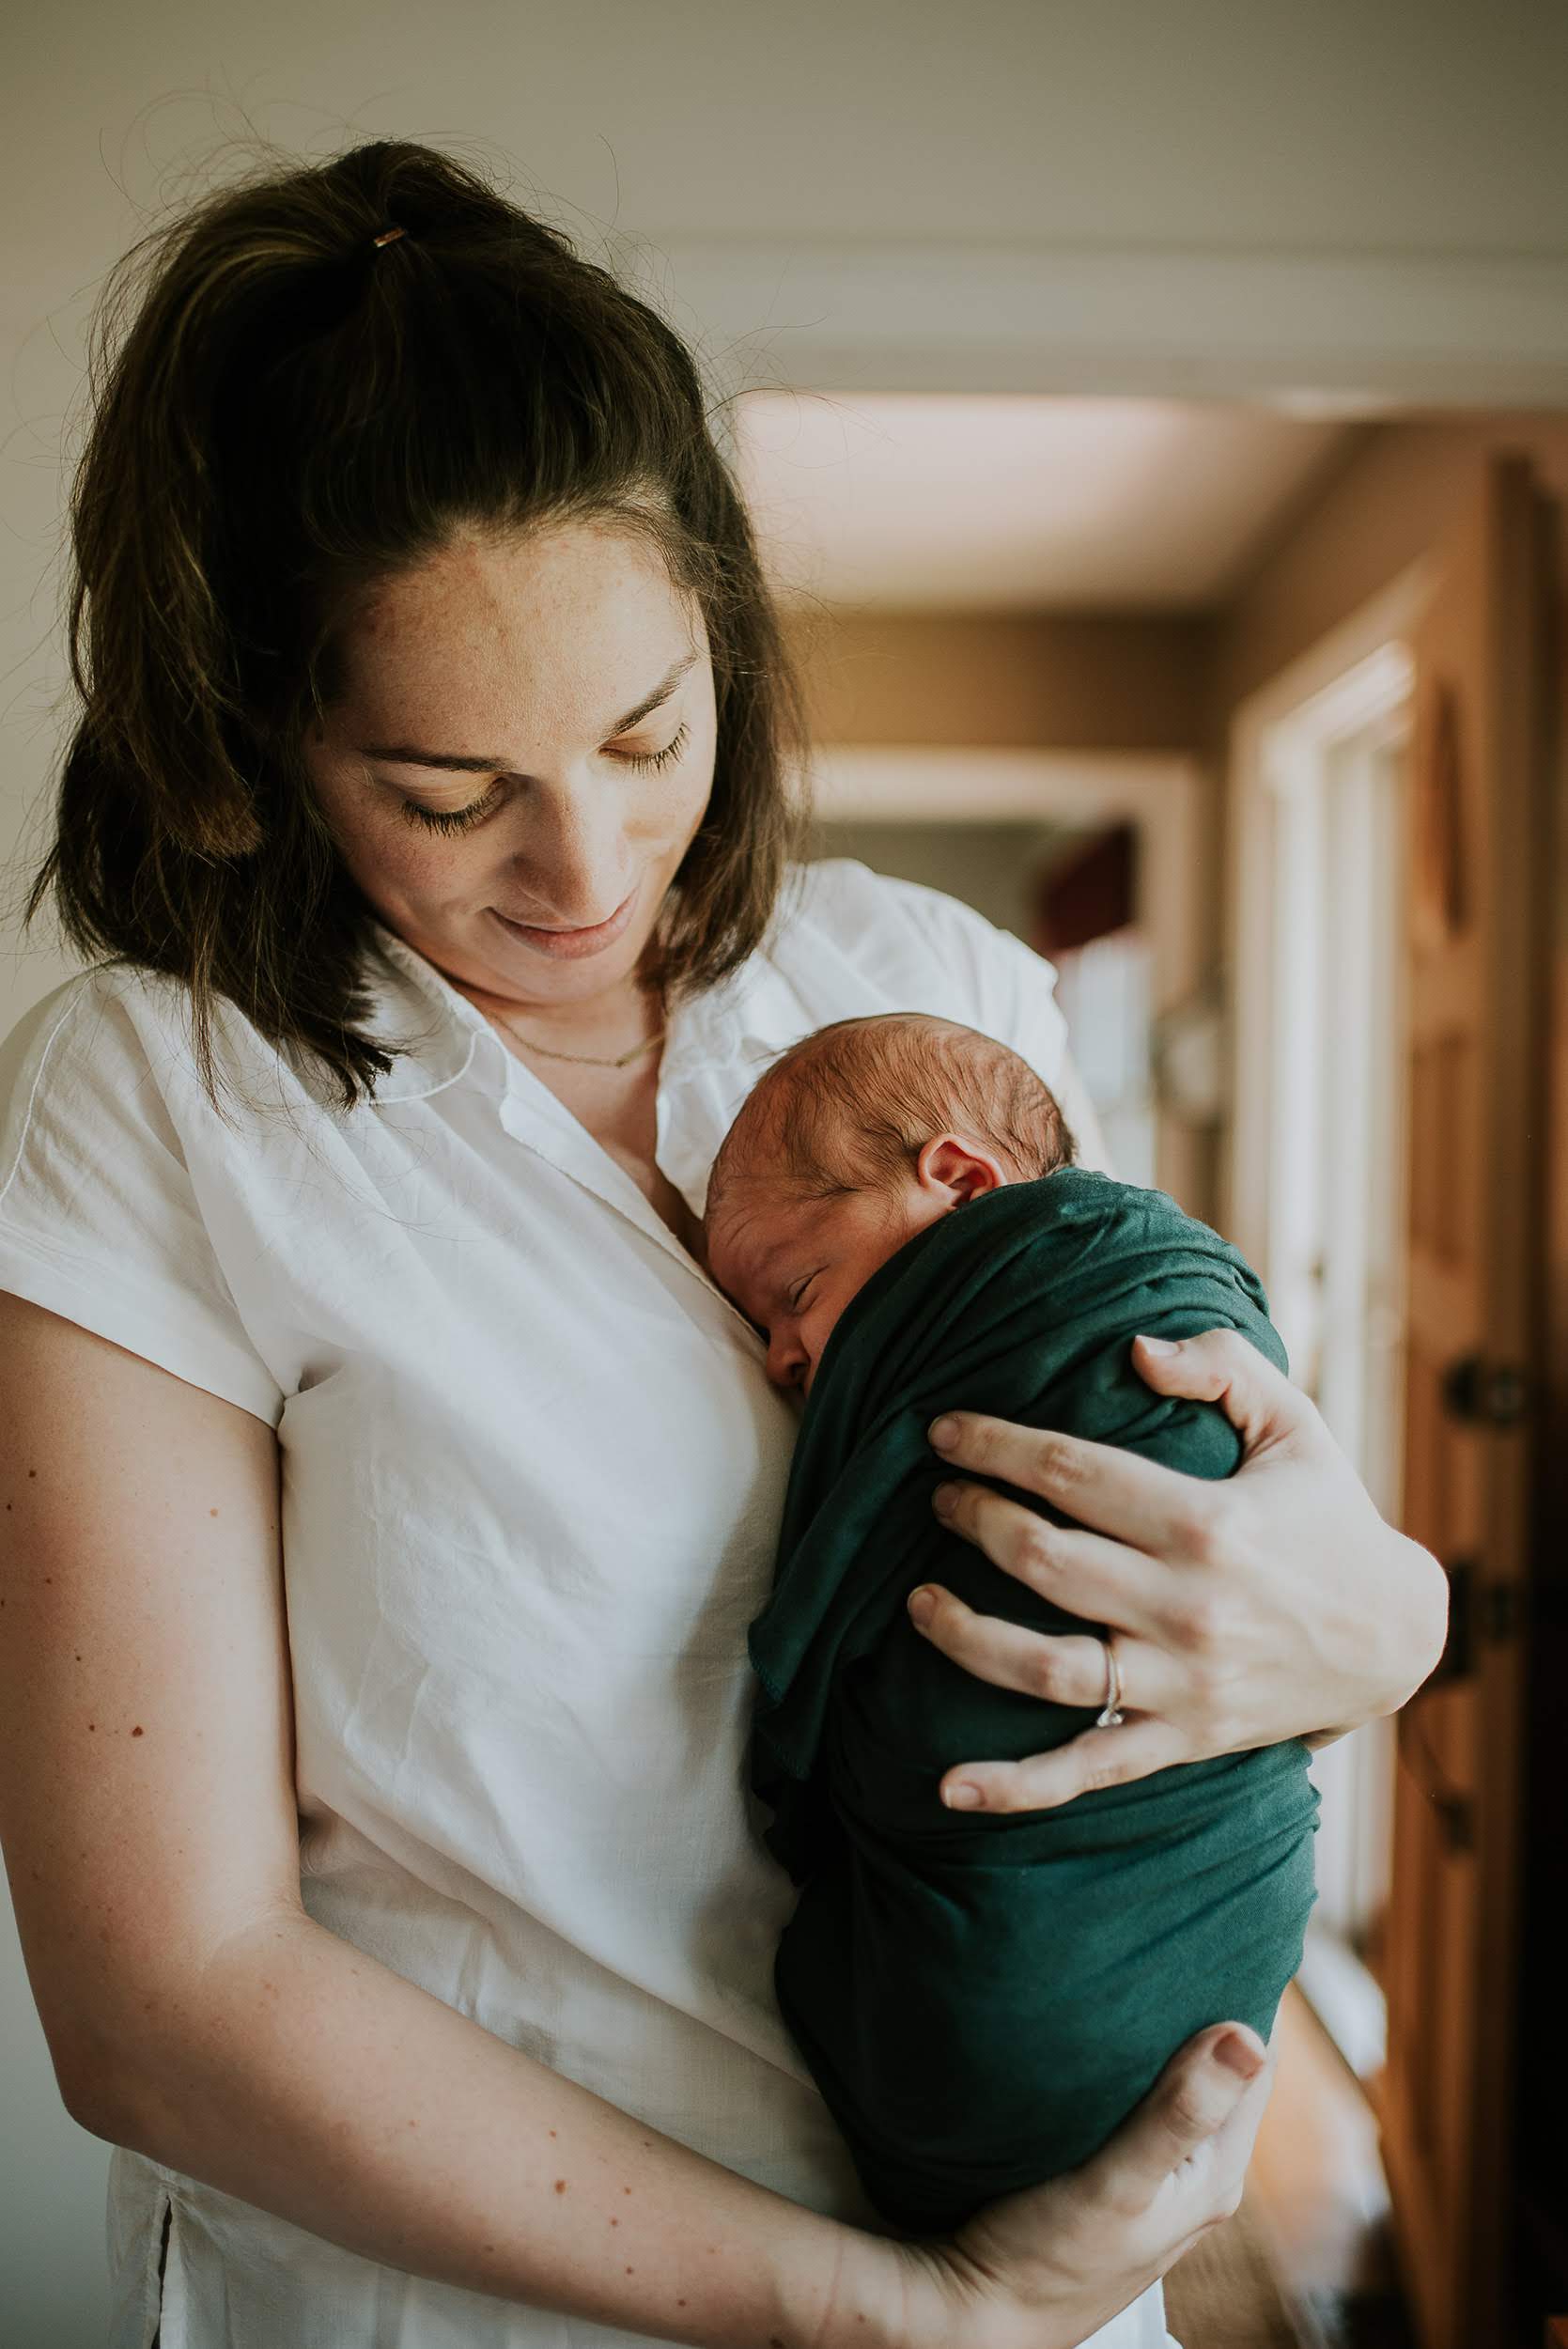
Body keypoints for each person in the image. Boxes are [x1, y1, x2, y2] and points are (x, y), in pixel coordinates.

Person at [0, 138, 1446, 2349]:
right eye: (448, 790)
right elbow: (163, 1997)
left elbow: (1188, 1457)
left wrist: (1383, 1618)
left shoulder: (939, 981)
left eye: (644, 732)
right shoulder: (156, 1106)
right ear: (260, 743)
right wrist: (894, 2309)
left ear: (721, 640)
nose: (586, 867)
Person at [703, 1012, 1321, 2234]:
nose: (781, 1360)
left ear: (963, 1183)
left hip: (1108, 1910)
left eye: (798, 1295)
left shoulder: (1115, 1296)